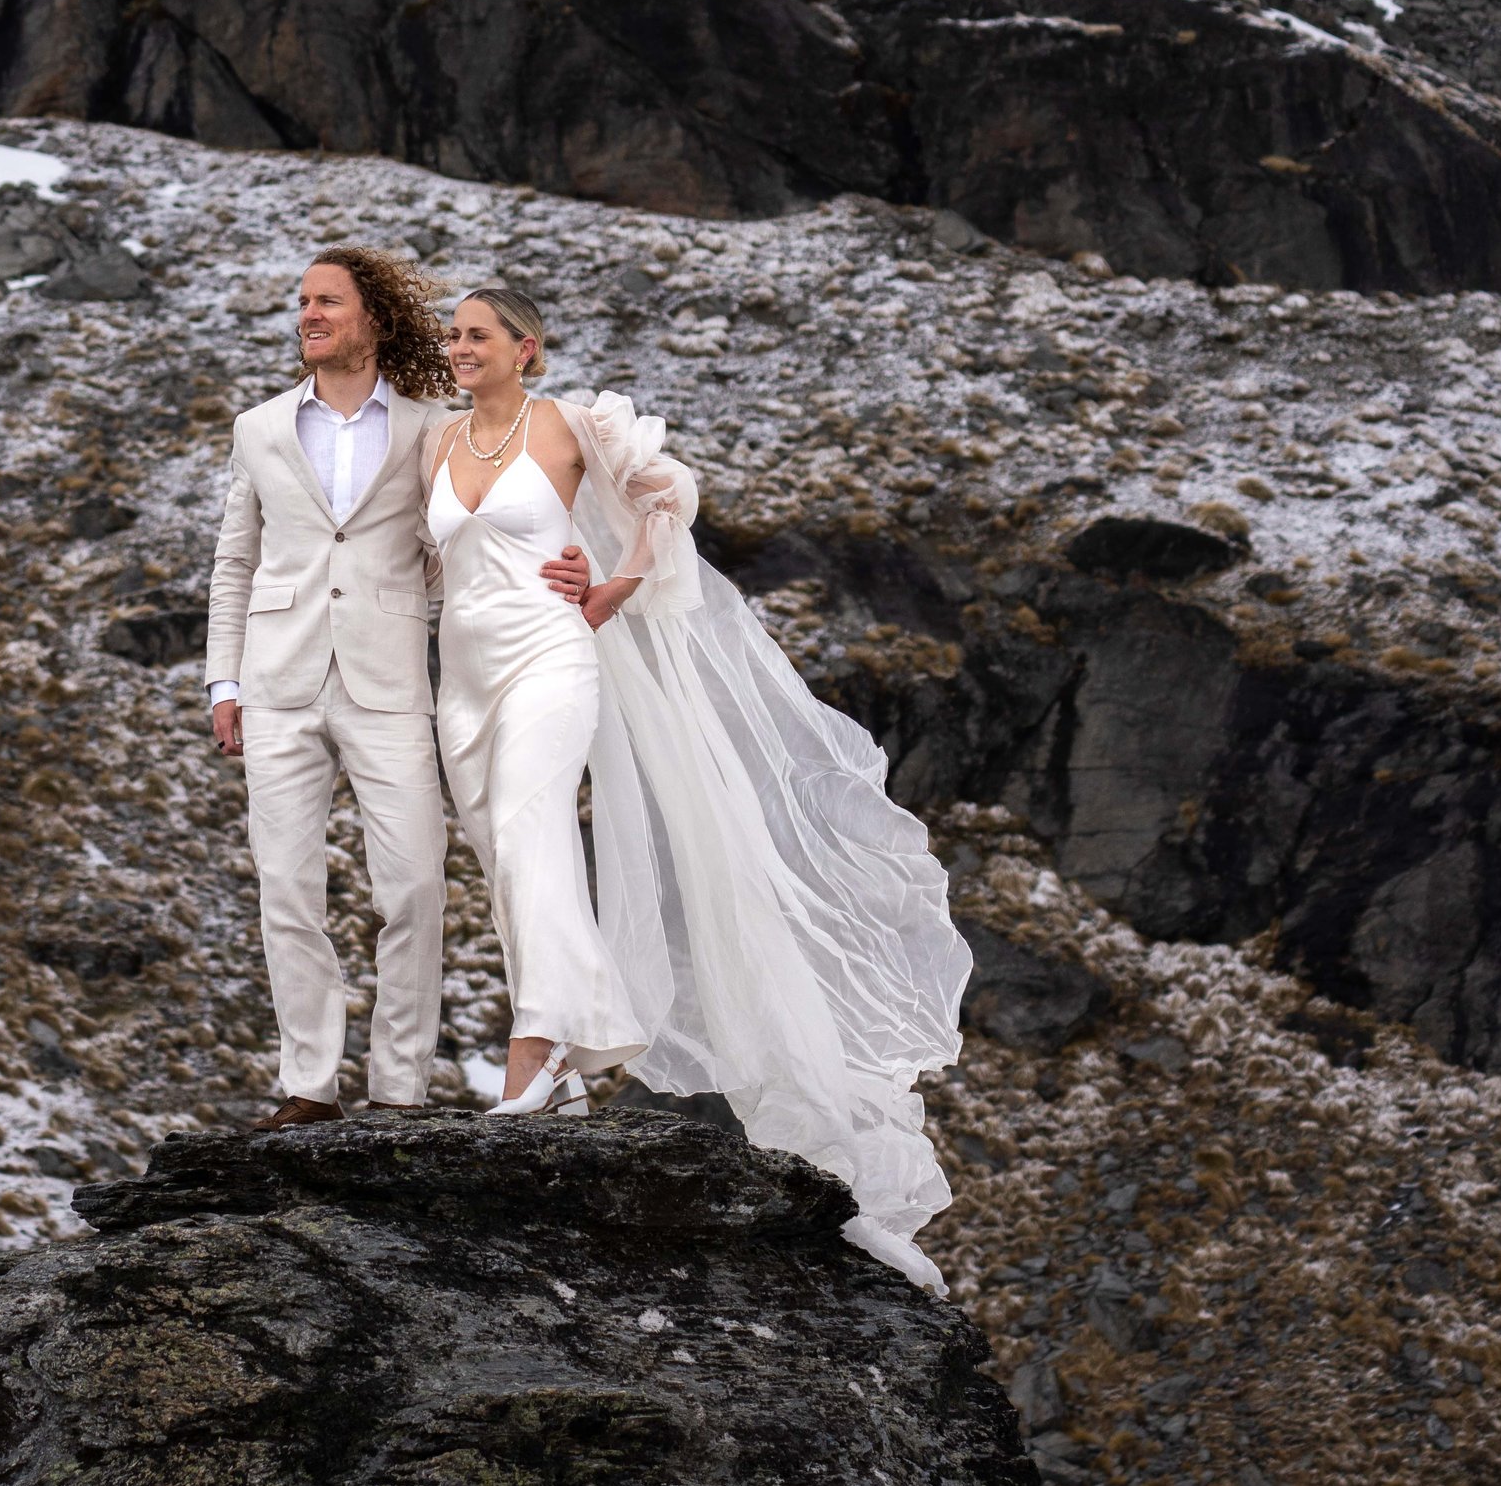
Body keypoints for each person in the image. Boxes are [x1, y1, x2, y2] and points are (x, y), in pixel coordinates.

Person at [428, 280, 970, 1290]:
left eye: (476, 334)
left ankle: (539, 1058)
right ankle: (564, 1057)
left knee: (535, 841)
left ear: (525, 347)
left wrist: (614, 584)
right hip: (466, 681)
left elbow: (667, 497)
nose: (458, 347)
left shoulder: (570, 426)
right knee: (507, 861)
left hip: (553, 659)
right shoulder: (439, 443)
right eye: (451, 335)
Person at [206, 248, 452, 1128]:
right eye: (303, 301)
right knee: (286, 888)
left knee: (416, 886)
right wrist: (223, 680)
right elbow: (235, 561)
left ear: (374, 319)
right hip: (277, 681)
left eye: (328, 301)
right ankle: (310, 1086)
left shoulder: (432, 428)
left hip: (389, 682)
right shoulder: (259, 427)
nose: (309, 314)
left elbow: (448, 550)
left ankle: (399, 1088)